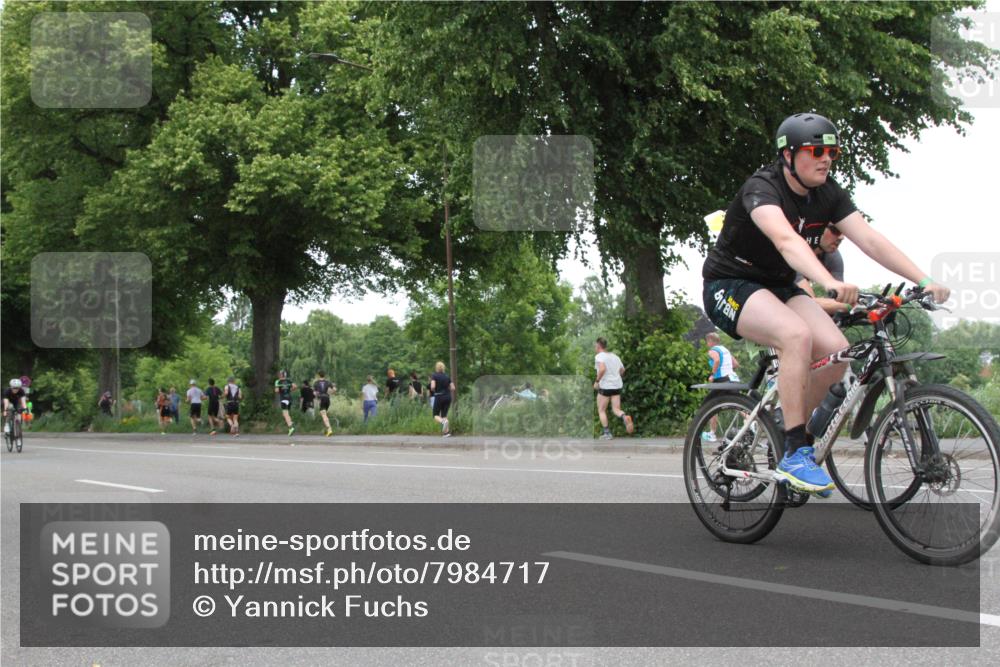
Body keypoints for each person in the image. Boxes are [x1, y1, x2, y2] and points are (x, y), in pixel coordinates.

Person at [701, 112, 950, 495]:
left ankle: (787, 425)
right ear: (788, 156)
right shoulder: (762, 189)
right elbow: (786, 241)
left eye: (832, 151)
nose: (826, 158)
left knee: (838, 351)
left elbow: (870, 239)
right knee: (795, 335)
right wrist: (828, 282)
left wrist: (924, 279)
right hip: (730, 284)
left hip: (779, 286)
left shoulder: (828, 194)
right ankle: (796, 452)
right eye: (816, 151)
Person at [795, 225, 849, 315]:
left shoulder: (833, 256)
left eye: (844, 232)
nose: (841, 237)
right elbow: (809, 303)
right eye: (835, 230)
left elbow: (839, 299)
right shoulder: (794, 252)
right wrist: (851, 307)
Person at [701, 332, 741, 443]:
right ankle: (752, 423)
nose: (707, 344)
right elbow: (736, 364)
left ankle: (712, 433)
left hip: (721, 380)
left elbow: (717, 360)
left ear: (710, 341)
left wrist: (712, 374)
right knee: (737, 404)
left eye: (707, 342)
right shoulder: (725, 350)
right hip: (733, 379)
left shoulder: (712, 350)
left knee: (710, 404)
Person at [593, 337, 634, 440]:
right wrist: (615, 376)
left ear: (598, 346)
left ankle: (607, 433)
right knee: (616, 409)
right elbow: (622, 370)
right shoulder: (615, 356)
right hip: (616, 386)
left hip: (605, 386)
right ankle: (624, 417)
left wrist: (597, 381)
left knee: (601, 410)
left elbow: (602, 369)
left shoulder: (599, 356)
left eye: (595, 345)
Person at [429, 361, 455, 437]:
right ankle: (446, 433)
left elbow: (433, 387)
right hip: (448, 397)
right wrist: (446, 389)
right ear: (443, 368)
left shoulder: (434, 375)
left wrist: (434, 390)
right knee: (444, 415)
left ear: (436, 368)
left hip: (439, 396)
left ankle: (443, 422)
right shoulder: (447, 376)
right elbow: (453, 388)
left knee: (435, 415)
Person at [274, 370, 297, 436]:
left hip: (283, 399)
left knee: (285, 413)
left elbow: (276, 390)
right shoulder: (289, 381)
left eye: (279, 374)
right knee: (286, 413)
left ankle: (290, 427)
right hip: (289, 398)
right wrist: (290, 390)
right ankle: (290, 422)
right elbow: (295, 386)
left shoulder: (278, 381)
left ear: (281, 375)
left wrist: (280, 391)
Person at [313, 371, 336, 436]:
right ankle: (326, 430)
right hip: (327, 399)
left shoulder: (316, 383)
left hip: (321, 399)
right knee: (324, 414)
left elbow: (314, 393)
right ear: (324, 375)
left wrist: (316, 396)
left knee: (324, 415)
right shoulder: (328, 382)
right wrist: (330, 393)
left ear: (318, 375)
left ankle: (329, 429)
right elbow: (334, 389)